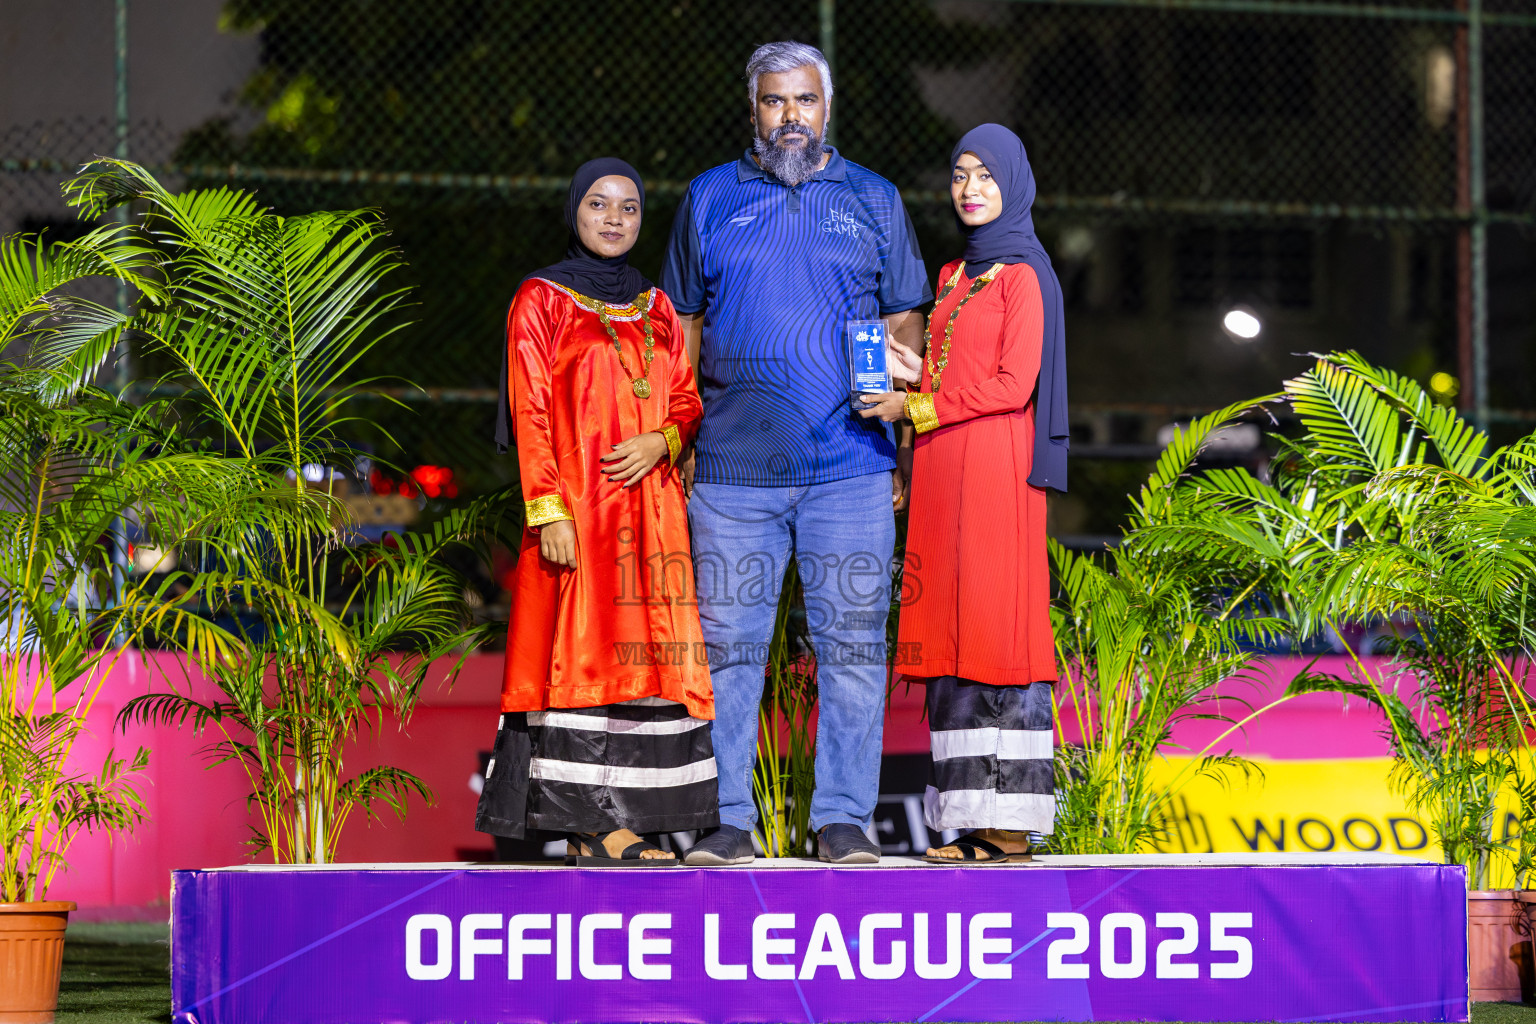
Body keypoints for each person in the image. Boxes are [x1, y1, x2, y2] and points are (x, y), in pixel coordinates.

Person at [661, 41, 931, 866]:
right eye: (775, 102)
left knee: (852, 654)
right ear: (754, 109)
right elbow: (682, 327)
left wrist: (899, 441)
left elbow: (904, 322)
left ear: (826, 107)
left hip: (849, 468)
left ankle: (842, 820)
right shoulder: (710, 197)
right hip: (733, 478)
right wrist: (682, 436)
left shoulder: (875, 199)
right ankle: (726, 822)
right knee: (730, 658)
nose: (790, 117)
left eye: (804, 102)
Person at [475, 158, 716, 865]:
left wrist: (663, 439)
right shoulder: (542, 299)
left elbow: (686, 398)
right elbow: (531, 411)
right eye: (600, 205)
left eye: (630, 208)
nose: (615, 219)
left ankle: (634, 821)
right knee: (582, 655)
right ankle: (591, 825)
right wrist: (548, 511)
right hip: (580, 512)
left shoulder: (657, 305)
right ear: (575, 212)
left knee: (647, 657)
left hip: (652, 514)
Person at [858, 123, 1070, 864]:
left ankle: (1007, 830)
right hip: (944, 472)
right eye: (959, 175)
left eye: (985, 175)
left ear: (1013, 182)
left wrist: (918, 407)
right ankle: (969, 826)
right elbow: (957, 373)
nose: (970, 188)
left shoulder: (1025, 275)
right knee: (950, 641)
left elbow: (1014, 385)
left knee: (997, 640)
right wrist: (909, 370)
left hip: (995, 475)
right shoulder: (953, 275)